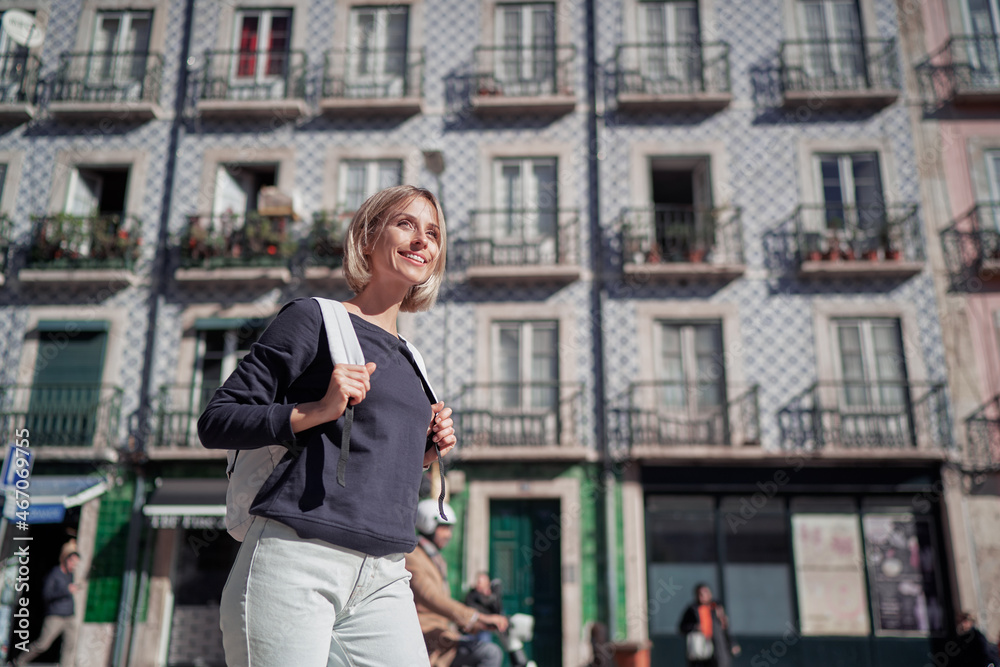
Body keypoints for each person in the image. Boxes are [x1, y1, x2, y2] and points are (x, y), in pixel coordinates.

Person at [199, 185, 457, 667]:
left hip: (384, 574)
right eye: (406, 224)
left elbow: (364, 454)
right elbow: (217, 421)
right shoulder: (313, 318)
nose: (422, 239)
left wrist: (421, 454)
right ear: (367, 237)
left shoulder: (412, 360)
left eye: (433, 233)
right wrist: (318, 409)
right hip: (296, 560)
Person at [405, 499, 509, 667]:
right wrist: (476, 617)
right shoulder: (413, 556)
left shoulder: (434, 558)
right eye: (444, 528)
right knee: (490, 653)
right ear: (428, 525)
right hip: (427, 636)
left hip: (443, 634)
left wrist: (474, 623)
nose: (449, 535)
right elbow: (430, 597)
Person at [12, 551, 80, 667]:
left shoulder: (70, 575)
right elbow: (47, 594)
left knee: (70, 645)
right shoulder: (54, 574)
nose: (74, 566)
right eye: (74, 563)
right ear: (68, 560)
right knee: (43, 644)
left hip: (69, 616)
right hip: (55, 616)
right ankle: (19, 661)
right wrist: (66, 590)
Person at [677, 583, 740, 667]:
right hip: (700, 650)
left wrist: (732, 644)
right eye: (700, 594)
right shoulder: (692, 610)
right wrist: (695, 627)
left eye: (705, 593)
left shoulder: (717, 608)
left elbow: (725, 628)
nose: (702, 596)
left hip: (718, 649)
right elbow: (681, 628)